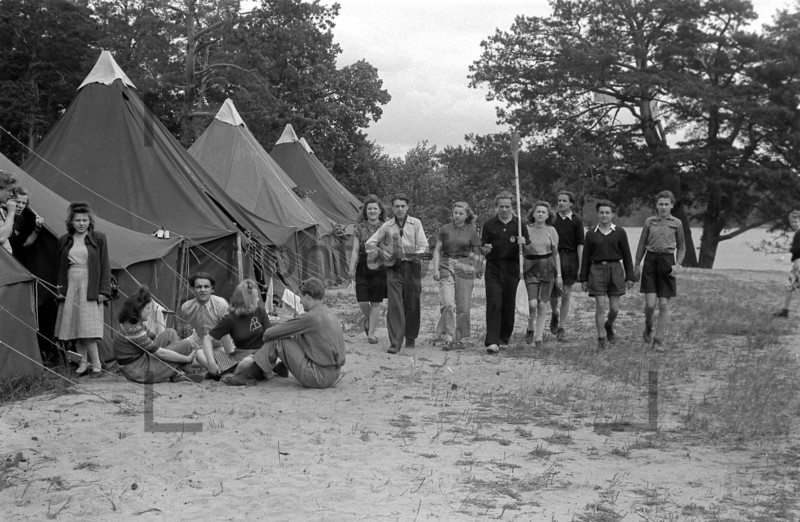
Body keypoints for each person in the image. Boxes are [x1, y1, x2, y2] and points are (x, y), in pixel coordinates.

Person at [222, 278, 345, 388]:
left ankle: (248, 376)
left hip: (318, 377)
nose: (300, 301)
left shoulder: (310, 317)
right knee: (297, 335)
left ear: (308, 297)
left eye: (301, 297)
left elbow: (269, 334)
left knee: (277, 339)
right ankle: (282, 366)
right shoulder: (327, 313)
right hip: (334, 374)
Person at [365, 193, 428, 354]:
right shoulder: (387, 225)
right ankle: (395, 342)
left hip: (412, 267)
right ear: (392, 208)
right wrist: (380, 251)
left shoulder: (416, 224)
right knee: (394, 305)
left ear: (407, 207)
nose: (400, 209)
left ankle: (410, 337)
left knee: (412, 303)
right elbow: (369, 243)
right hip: (394, 268)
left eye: (403, 206)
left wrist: (417, 254)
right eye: (397, 206)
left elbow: (424, 245)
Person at [54, 201, 112, 377]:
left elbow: (105, 265)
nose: (81, 224)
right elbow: (61, 267)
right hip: (71, 283)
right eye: (77, 220)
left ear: (90, 221)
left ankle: (96, 365)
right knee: (74, 327)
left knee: (87, 328)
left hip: (90, 284)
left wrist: (104, 291)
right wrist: (60, 290)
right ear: (71, 222)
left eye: (84, 220)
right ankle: (82, 364)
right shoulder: (65, 239)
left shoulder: (99, 238)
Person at [114, 287, 202, 383]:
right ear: (138, 309)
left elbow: (155, 338)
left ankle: (177, 371)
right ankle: (178, 371)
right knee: (186, 345)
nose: (150, 311)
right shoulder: (133, 329)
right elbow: (161, 353)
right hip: (139, 372)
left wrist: (176, 349)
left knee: (170, 333)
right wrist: (186, 358)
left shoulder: (133, 323)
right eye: (148, 308)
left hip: (138, 363)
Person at [579, 201, 636, 350]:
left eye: (607, 212)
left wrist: (630, 276)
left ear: (612, 214)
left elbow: (627, 255)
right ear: (598, 214)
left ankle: (609, 325)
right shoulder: (591, 233)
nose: (604, 215)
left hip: (615, 269)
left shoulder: (620, 232)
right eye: (601, 212)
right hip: (596, 270)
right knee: (600, 305)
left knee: (614, 309)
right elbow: (585, 257)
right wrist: (583, 278)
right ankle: (601, 338)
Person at [634, 190, 686, 352]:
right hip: (650, 261)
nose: (663, 207)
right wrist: (637, 265)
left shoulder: (677, 223)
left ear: (672, 205)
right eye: (660, 204)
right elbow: (642, 244)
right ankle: (648, 324)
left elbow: (682, 246)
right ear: (656, 205)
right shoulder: (650, 222)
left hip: (667, 262)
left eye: (666, 204)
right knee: (650, 305)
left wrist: (677, 264)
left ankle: (658, 340)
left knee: (663, 304)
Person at [482, 191, 531, 354]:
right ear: (497, 207)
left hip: (513, 268)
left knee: (508, 305)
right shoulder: (489, 225)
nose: (504, 210)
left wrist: (523, 244)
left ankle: (504, 337)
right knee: (494, 303)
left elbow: (529, 249)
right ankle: (492, 340)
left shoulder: (519, 225)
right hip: (493, 268)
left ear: (512, 207)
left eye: (507, 206)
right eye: (501, 206)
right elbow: (483, 248)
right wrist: (485, 250)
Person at [432, 202, 482, 350]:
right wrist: (435, 269)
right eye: (455, 213)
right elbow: (437, 250)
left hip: (465, 265)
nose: (457, 216)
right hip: (446, 264)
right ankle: (448, 336)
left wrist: (478, 268)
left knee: (463, 306)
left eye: (461, 213)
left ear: (467, 215)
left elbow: (478, 252)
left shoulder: (471, 231)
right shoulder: (445, 229)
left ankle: (459, 338)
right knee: (447, 303)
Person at [199, 279, 272, 379]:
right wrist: (211, 362)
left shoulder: (260, 312)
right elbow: (207, 339)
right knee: (199, 354)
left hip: (258, 355)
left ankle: (230, 375)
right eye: (256, 297)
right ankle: (225, 372)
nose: (258, 300)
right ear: (248, 300)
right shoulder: (230, 319)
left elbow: (271, 335)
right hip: (238, 357)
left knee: (250, 361)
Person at [347, 194, 388, 344]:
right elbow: (355, 250)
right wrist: (351, 268)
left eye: (375, 209)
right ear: (365, 211)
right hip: (363, 265)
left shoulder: (386, 227)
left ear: (379, 210)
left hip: (380, 264)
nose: (372, 211)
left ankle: (371, 333)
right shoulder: (359, 227)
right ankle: (371, 319)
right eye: (369, 208)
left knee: (376, 301)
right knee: (362, 301)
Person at [522, 201, 562, 348]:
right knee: (532, 304)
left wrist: (559, 275)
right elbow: (520, 250)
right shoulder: (525, 229)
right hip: (530, 268)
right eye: (537, 211)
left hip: (548, 268)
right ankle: (530, 326)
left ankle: (538, 338)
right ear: (533, 214)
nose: (540, 214)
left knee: (543, 304)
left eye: (543, 212)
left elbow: (556, 253)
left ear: (547, 215)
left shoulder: (551, 231)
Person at [549, 190, 584, 341]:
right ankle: (554, 313)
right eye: (559, 200)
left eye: (564, 200)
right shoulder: (551, 219)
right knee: (552, 291)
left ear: (571, 203)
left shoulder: (576, 221)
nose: (561, 203)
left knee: (567, 293)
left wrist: (581, 266)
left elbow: (580, 244)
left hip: (570, 257)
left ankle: (561, 328)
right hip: (552, 256)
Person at [175, 272, 234, 354]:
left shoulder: (220, 305)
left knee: (206, 358)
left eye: (206, 287)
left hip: (219, 344)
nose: (203, 290)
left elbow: (225, 333)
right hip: (197, 340)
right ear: (193, 289)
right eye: (199, 287)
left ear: (212, 289)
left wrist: (230, 357)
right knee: (173, 351)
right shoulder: (186, 307)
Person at [773, 210, 800, 318]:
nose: (794, 223)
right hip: (797, 263)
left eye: (796, 221)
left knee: (789, 286)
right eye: (792, 222)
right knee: (789, 286)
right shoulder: (797, 233)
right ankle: (785, 311)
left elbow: (797, 249)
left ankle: (785, 311)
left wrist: (791, 249)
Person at [10, 187, 45, 266]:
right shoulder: (2, 214)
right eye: (18, 202)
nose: (20, 206)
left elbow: (24, 245)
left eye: (23, 203)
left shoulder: (21, 220)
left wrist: (37, 229)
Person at [0, 170, 17, 255]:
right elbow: (1, 238)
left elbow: (8, 233)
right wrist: (11, 213)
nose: (11, 194)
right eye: (9, 190)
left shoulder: (1, 209)